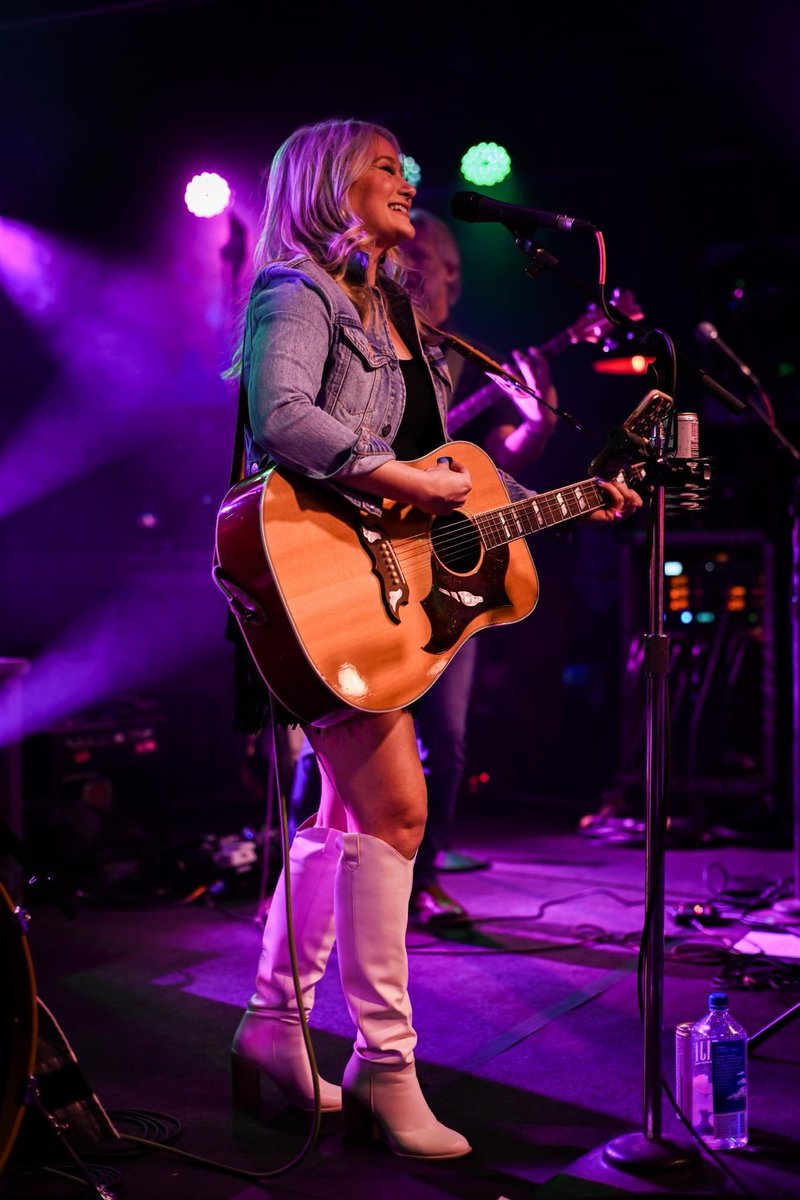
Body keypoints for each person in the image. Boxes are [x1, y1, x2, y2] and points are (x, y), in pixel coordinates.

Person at [221, 116, 642, 1161]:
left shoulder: (395, 315)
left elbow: (451, 480)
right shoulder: (298, 292)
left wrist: (572, 496)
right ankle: (384, 1064)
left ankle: (274, 1027)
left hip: (381, 594)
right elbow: (282, 419)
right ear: (326, 184)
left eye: (405, 168)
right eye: (381, 166)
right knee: (399, 812)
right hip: (310, 582)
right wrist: (402, 475)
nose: (405, 181)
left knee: (346, 818)